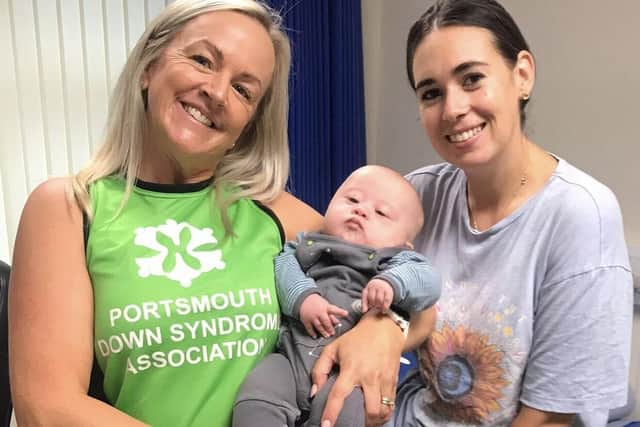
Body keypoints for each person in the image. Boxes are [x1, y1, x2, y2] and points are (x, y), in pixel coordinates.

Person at [7, 1, 413, 426]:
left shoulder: (272, 212)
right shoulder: (70, 209)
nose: (217, 93)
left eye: (243, 90)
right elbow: (47, 408)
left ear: (250, 123)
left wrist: (384, 331)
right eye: (202, 60)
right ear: (149, 66)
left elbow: (409, 279)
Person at [363, 0, 632, 426]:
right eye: (431, 92)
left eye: (472, 79)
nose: (452, 109)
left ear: (522, 74)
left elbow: (549, 419)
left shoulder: (581, 215)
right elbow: (337, 267)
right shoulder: (418, 196)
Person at [233, 165, 442, 427]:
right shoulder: (307, 245)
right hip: (290, 357)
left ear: (403, 243)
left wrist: (392, 282)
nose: (361, 210)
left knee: (345, 413)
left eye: (381, 213)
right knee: (257, 396)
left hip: (347, 372)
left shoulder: (397, 260)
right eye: (352, 199)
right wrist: (303, 297)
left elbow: (429, 283)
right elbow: (283, 265)